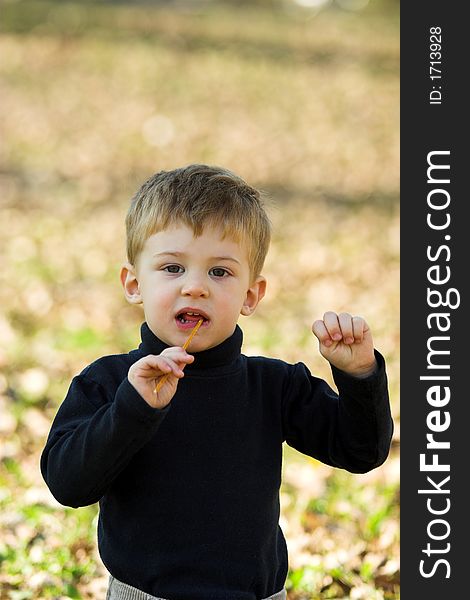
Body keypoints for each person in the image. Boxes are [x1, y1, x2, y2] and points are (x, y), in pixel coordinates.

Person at [40, 164, 393, 600]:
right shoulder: (110, 381)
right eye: (172, 268)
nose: (195, 287)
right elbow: (67, 483)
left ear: (251, 295)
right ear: (134, 284)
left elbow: (361, 451)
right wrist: (132, 408)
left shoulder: (273, 386)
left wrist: (359, 375)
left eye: (219, 272)